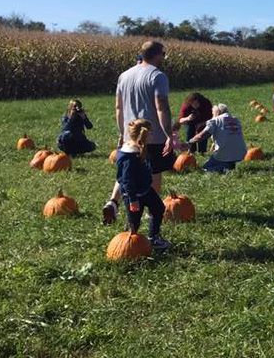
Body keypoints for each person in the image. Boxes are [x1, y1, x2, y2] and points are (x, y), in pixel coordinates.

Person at [103, 41, 173, 225]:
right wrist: (168, 134)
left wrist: (122, 132)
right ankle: (151, 213)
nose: (164, 58)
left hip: (130, 132)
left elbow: (118, 107)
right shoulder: (157, 76)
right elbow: (161, 107)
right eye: (163, 54)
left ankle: (113, 201)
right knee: (154, 172)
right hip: (152, 135)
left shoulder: (124, 75)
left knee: (127, 171)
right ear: (157, 55)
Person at [116, 118, 170, 250]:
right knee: (135, 222)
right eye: (151, 133)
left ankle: (153, 238)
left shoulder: (139, 148)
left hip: (145, 189)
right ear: (146, 134)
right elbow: (127, 180)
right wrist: (133, 200)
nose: (152, 135)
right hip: (133, 194)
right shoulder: (130, 156)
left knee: (159, 208)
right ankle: (130, 246)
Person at [188, 103, 247, 173]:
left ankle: (226, 168)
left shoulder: (215, 120)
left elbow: (202, 136)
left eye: (212, 114)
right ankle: (229, 165)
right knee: (210, 163)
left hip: (224, 153)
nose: (212, 116)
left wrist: (190, 141)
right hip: (241, 152)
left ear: (218, 112)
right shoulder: (235, 120)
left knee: (206, 170)